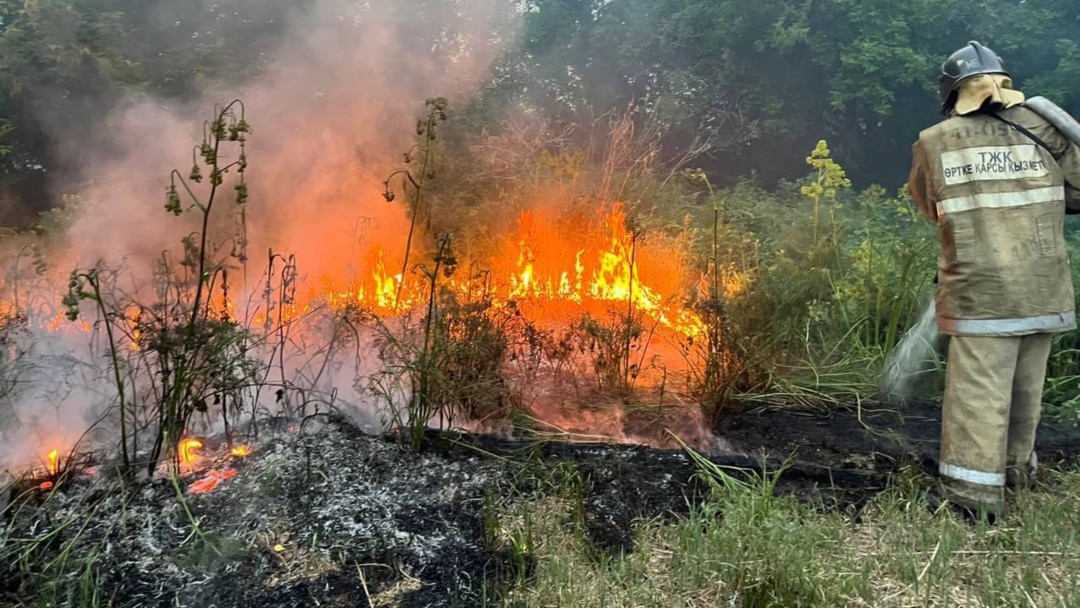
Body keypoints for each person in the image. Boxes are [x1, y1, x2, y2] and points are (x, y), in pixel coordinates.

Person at [907, 40, 1080, 520]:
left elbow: (929, 205)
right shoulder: (1046, 127)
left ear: (952, 94)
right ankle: (1015, 473)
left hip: (981, 291)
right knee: (1026, 388)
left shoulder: (934, 140)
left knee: (978, 394)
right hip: (1043, 284)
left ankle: (971, 499)